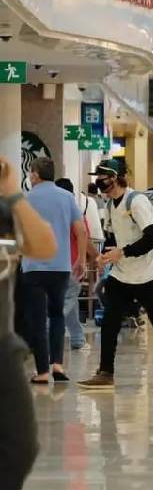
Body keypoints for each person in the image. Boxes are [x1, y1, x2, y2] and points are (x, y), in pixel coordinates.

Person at [77, 159, 153, 389]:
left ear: (116, 177)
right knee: (110, 322)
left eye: (103, 178)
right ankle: (106, 372)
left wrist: (124, 252)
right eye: (97, 178)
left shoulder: (137, 201)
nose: (99, 182)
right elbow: (113, 237)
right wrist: (104, 256)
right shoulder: (110, 204)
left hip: (147, 274)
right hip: (122, 274)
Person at [0, 156, 57, 489]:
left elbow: (45, 246)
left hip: (3, 348)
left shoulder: (6, 211)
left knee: (20, 448)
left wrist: (13, 194)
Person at [21, 158, 87, 384]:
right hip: (61, 267)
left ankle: (42, 372)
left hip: (33, 268)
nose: (30, 176)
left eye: (31, 172)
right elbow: (80, 231)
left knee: (38, 319)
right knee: (58, 314)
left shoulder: (26, 199)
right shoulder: (67, 197)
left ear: (36, 174)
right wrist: (81, 259)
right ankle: (57, 364)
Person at [54, 178, 99, 351]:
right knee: (66, 302)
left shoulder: (48, 213)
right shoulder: (75, 212)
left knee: (69, 301)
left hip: (50, 265)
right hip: (72, 265)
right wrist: (97, 256)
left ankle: (78, 339)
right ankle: (45, 334)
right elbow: (84, 239)